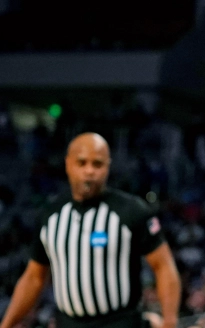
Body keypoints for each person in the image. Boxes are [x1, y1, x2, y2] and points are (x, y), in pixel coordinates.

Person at [0, 133, 180, 328]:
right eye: (82, 163)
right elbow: (34, 278)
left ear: (108, 167)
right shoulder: (50, 215)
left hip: (120, 323)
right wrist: (6, 325)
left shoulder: (131, 210)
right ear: (68, 164)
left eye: (97, 164)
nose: (89, 171)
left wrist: (169, 321)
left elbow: (163, 266)